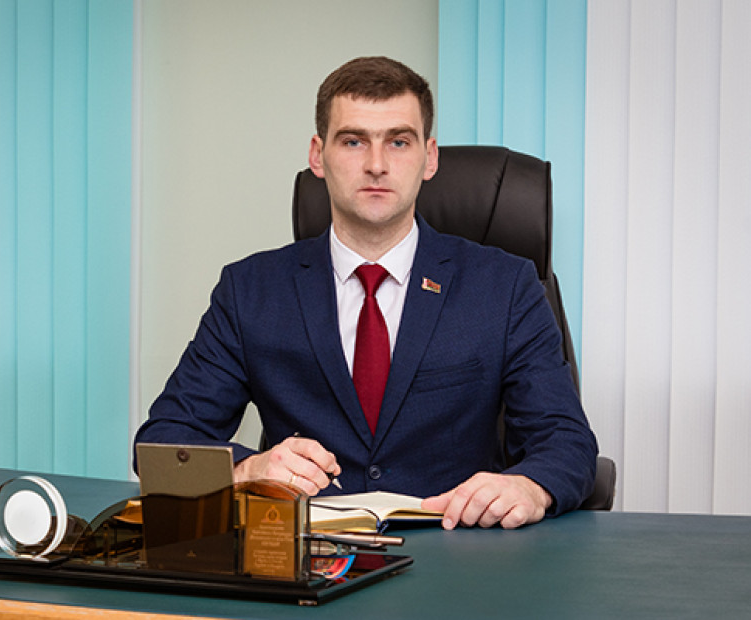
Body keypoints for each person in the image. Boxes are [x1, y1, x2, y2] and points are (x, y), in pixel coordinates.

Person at [135, 56, 597, 529]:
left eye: (399, 142)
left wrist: (529, 486)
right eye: (353, 141)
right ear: (318, 155)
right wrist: (247, 470)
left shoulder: (505, 286)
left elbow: (567, 442)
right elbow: (164, 442)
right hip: (305, 552)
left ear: (430, 157)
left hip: (455, 547)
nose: (377, 165)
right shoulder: (250, 291)